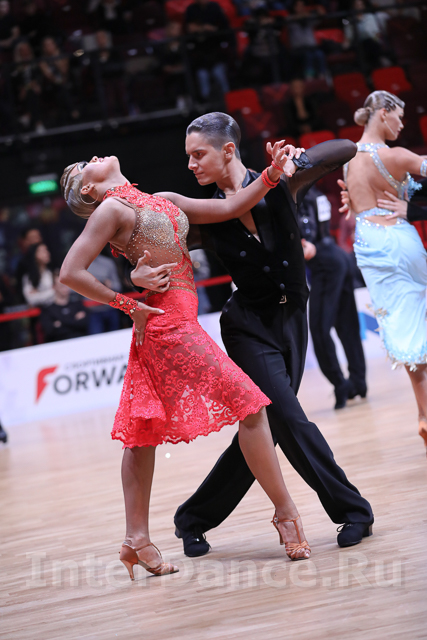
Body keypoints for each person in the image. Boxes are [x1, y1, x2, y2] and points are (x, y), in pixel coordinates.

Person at [59, 145, 313, 580]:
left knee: (142, 434)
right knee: (251, 406)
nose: (95, 157)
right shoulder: (111, 210)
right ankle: (286, 515)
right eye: (87, 165)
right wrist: (128, 302)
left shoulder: (161, 200)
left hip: (174, 321)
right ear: (88, 189)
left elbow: (231, 206)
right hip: (167, 325)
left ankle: (136, 540)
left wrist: (271, 174)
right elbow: (70, 273)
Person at [130, 113, 374, 557]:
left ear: (228, 150)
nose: (190, 164)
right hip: (248, 327)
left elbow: (346, 148)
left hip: (293, 319)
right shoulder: (202, 214)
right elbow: (146, 247)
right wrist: (137, 274)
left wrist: (298, 160)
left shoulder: (280, 180)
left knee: (267, 429)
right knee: (288, 418)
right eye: (188, 156)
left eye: (198, 154)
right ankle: (353, 511)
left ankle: (192, 518)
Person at [337, 90, 427, 450]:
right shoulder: (396, 155)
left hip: (367, 245)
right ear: (384, 113)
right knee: (421, 318)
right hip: (398, 238)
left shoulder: (347, 160)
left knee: (402, 330)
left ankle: (424, 413)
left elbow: (353, 203)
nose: (402, 124)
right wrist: (416, 210)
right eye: (399, 116)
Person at [297, 185, 367, 409]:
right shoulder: (317, 193)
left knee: (319, 329)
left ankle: (340, 384)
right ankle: (358, 382)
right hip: (337, 256)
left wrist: (303, 243)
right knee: (348, 326)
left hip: (325, 264)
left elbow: (308, 238)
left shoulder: (297, 195)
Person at [39, 273, 88, 343]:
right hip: (59, 345)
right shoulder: (48, 310)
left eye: (67, 284)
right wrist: (74, 320)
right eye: (61, 285)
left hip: (80, 342)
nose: (65, 288)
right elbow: (50, 331)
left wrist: (61, 322)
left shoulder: (77, 304)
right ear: (54, 287)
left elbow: (85, 324)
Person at [21, 242, 55, 308]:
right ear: (34, 255)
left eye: (46, 250)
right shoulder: (28, 277)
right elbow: (31, 299)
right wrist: (53, 290)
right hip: (41, 311)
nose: (47, 253)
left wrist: (38, 294)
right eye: (42, 251)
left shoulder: (53, 273)